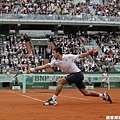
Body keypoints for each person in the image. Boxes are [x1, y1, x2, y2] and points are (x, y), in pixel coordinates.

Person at [26, 47, 112, 106]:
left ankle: (53, 99)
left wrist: (90, 52)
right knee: (86, 93)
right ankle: (104, 96)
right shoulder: (54, 62)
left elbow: (81, 56)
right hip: (74, 75)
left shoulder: (69, 56)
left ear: (58, 53)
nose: (53, 54)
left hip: (78, 74)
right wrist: (32, 69)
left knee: (61, 81)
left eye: (54, 53)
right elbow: (44, 66)